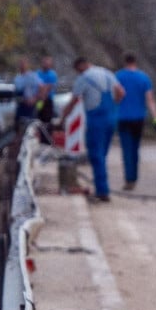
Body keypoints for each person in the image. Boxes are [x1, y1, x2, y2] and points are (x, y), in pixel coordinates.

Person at [61, 57, 125, 202]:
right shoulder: (107, 73)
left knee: (96, 156)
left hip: (96, 120)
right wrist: (114, 107)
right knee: (102, 154)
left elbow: (73, 102)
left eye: (78, 70)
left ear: (82, 66)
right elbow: (121, 92)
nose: (78, 73)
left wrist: (62, 119)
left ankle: (102, 191)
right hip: (111, 118)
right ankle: (102, 187)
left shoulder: (84, 78)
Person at [114, 53, 156, 191]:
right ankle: (134, 177)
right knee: (135, 149)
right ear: (136, 62)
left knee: (126, 149)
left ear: (125, 62)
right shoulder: (144, 78)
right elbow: (150, 99)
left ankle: (129, 179)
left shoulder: (118, 76)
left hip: (122, 118)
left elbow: (115, 97)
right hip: (139, 118)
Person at [13, 58, 46, 130]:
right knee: (18, 124)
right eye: (20, 64)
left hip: (30, 104)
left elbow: (42, 88)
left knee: (30, 125)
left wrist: (35, 99)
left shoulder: (32, 76)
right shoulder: (17, 78)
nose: (22, 66)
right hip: (21, 103)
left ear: (27, 65)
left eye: (23, 64)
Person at [36, 55, 59, 123]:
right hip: (39, 100)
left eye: (48, 63)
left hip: (47, 100)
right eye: (44, 63)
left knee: (47, 120)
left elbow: (48, 87)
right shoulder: (38, 73)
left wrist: (42, 92)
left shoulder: (52, 74)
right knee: (38, 118)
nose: (46, 65)